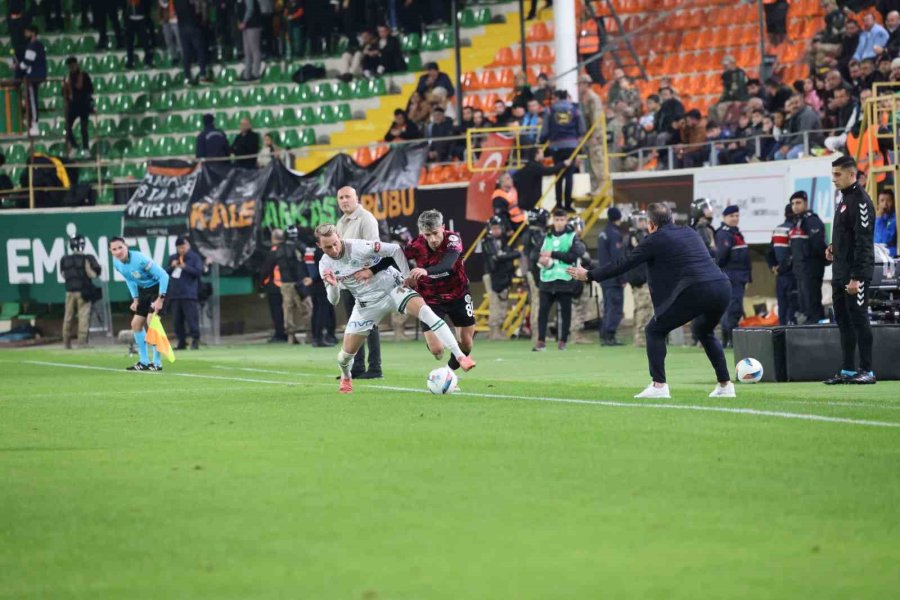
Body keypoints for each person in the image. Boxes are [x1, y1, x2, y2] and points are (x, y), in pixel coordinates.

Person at [568, 203, 735, 399]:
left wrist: (590, 275)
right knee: (704, 331)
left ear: (651, 224)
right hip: (723, 286)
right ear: (672, 219)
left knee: (654, 330)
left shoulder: (655, 239)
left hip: (697, 288)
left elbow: (624, 263)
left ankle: (659, 386)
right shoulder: (690, 232)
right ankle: (725, 385)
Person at [317, 224, 475, 393]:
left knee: (426, 312)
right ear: (319, 246)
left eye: (335, 243)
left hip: (393, 288)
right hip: (367, 304)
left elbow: (395, 250)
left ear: (339, 236)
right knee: (345, 355)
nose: (334, 249)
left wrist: (407, 276)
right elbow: (333, 301)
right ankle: (346, 377)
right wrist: (333, 286)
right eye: (328, 247)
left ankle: (460, 356)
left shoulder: (359, 247)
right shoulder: (324, 265)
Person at [824, 156, 876, 385]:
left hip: (854, 276)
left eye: (837, 174)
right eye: (833, 173)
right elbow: (848, 236)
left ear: (851, 175)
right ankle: (847, 370)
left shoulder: (861, 201)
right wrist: (834, 248)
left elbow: (864, 243)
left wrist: (857, 277)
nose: (833, 178)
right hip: (839, 273)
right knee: (843, 321)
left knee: (859, 319)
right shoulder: (845, 199)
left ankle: (867, 370)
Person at [404, 210, 476, 373]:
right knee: (437, 350)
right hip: (430, 299)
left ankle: (448, 373)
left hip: (459, 295)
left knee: (466, 343)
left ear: (443, 227)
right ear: (422, 233)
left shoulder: (453, 240)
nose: (433, 239)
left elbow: (448, 265)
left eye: (435, 233)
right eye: (427, 235)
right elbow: (394, 257)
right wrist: (404, 276)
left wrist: (426, 271)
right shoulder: (415, 245)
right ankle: (435, 348)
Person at [335, 186, 382, 379]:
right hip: (348, 283)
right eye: (341, 198)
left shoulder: (366, 218)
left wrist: (367, 272)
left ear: (357, 198)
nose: (344, 200)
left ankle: (375, 368)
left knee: (369, 324)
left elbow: (374, 248)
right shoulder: (340, 222)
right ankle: (357, 367)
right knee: (354, 325)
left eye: (348, 197)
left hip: (364, 281)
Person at [109, 237, 170, 371]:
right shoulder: (116, 263)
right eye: (114, 249)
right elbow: (129, 279)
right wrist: (135, 299)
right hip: (144, 291)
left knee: (151, 321)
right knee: (135, 324)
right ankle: (144, 362)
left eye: (120, 247)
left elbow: (164, 276)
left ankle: (157, 362)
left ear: (126, 246)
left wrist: (161, 298)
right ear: (111, 251)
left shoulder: (140, 259)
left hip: (158, 289)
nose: (118, 251)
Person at [534, 208, 586, 351]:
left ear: (566, 220)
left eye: (562, 219)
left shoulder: (571, 236)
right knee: (543, 310)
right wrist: (541, 259)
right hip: (547, 278)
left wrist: (553, 254)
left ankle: (563, 340)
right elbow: (535, 254)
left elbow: (573, 256)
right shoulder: (546, 236)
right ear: (553, 220)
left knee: (565, 311)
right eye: (556, 220)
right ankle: (540, 340)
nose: (559, 223)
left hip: (565, 277)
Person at [263, 226, 310, 345]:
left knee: (288, 310)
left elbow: (268, 267)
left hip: (286, 283)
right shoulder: (300, 246)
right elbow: (309, 262)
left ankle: (291, 335)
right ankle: (311, 333)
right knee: (306, 308)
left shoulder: (278, 249)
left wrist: (262, 282)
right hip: (300, 282)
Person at [540, 90, 584, 212]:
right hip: (571, 145)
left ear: (557, 97)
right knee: (569, 175)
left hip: (556, 146)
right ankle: (568, 205)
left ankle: (559, 203)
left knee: (558, 175)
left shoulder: (550, 110)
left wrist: (541, 142)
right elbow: (582, 129)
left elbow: (545, 130)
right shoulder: (575, 110)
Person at [788, 190, 827, 324]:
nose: (795, 206)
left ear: (805, 203)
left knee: (812, 304)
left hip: (811, 270)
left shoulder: (812, 221)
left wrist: (825, 259)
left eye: (798, 202)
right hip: (800, 270)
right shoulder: (796, 222)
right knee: (804, 304)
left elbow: (818, 245)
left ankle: (817, 335)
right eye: (793, 203)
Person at [715, 205, 751, 348]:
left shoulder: (736, 233)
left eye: (737, 216)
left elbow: (745, 260)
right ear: (724, 218)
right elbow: (720, 259)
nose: (735, 218)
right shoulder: (723, 234)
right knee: (731, 310)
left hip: (739, 278)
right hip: (730, 278)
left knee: (735, 309)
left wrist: (748, 278)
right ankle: (729, 340)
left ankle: (729, 340)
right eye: (732, 216)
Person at [59, 234, 101, 349]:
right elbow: (92, 274)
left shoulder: (64, 259)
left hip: (69, 292)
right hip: (83, 292)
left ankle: (66, 343)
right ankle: (82, 343)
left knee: (68, 317)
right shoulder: (86, 259)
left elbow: (63, 274)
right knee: (83, 317)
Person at [481, 216, 519, 340]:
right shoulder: (487, 241)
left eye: (498, 228)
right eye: (494, 228)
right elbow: (497, 257)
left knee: (503, 304)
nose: (496, 230)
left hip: (503, 275)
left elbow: (505, 255)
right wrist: (514, 254)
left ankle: (499, 330)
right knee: (495, 304)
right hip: (492, 275)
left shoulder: (504, 240)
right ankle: (494, 331)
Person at [165, 236, 203, 350]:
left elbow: (198, 272)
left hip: (188, 294)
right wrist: (172, 266)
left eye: (183, 247)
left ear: (188, 245)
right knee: (177, 321)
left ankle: (195, 340)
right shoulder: (173, 258)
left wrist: (185, 267)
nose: (182, 249)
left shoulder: (194, 257)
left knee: (192, 319)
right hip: (175, 294)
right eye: (179, 247)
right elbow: (165, 272)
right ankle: (181, 342)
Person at [597, 207, 625, 346]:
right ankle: (610, 336)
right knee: (615, 307)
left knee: (608, 306)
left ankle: (604, 334)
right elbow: (617, 258)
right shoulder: (615, 234)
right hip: (613, 278)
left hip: (604, 276)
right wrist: (621, 278)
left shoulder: (603, 233)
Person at [766, 203, 797, 326]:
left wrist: (773, 266)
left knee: (782, 305)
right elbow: (795, 253)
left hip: (780, 275)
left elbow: (769, 251)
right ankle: (792, 334)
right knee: (793, 305)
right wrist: (784, 267)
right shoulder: (796, 229)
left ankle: (781, 334)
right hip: (792, 274)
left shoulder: (778, 229)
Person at [625, 210, 652, 347]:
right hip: (640, 278)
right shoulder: (635, 237)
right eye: (639, 220)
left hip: (640, 277)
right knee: (644, 307)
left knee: (640, 307)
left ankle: (639, 335)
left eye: (644, 219)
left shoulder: (639, 235)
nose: (643, 222)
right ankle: (640, 337)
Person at [522, 208, 549, 343]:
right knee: (537, 302)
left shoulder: (528, 232)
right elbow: (538, 252)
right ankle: (538, 334)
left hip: (530, 270)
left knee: (536, 301)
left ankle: (537, 333)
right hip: (535, 271)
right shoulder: (536, 233)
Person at [303, 240, 337, 347]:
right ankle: (320, 337)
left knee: (317, 310)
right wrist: (314, 278)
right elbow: (324, 270)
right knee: (323, 311)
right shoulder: (321, 252)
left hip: (313, 285)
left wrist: (309, 279)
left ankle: (316, 336)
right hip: (322, 284)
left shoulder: (308, 251)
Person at [15, 24, 47, 136]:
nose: (25, 34)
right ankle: (32, 125)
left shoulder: (33, 46)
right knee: (30, 100)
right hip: (36, 75)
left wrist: (17, 66)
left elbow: (28, 63)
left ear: (32, 33)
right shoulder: (39, 45)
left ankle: (35, 125)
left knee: (32, 101)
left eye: (27, 32)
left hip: (33, 77)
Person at [578, 74, 606, 196]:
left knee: (597, 161)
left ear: (585, 84)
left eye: (580, 84)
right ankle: (594, 187)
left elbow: (597, 118)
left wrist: (596, 135)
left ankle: (602, 187)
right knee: (589, 163)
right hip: (588, 136)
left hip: (595, 136)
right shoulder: (583, 98)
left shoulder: (593, 98)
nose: (578, 87)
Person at [174, 0, 210, 84]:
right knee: (200, 50)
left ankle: (187, 76)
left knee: (186, 53)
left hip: (182, 27)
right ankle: (202, 75)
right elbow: (198, 11)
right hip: (193, 26)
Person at [62, 57, 93, 152]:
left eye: (73, 65)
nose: (72, 67)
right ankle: (75, 146)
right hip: (73, 106)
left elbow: (90, 89)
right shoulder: (68, 78)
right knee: (67, 127)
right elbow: (63, 93)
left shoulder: (83, 75)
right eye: (70, 66)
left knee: (84, 129)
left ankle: (86, 148)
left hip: (83, 105)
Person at [125, 0, 154, 70]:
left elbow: (148, 4)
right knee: (129, 42)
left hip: (142, 18)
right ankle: (130, 62)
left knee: (145, 41)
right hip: (130, 18)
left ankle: (148, 61)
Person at [239, 0, 263, 81]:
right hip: (246, 26)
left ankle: (255, 73)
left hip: (253, 25)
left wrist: (244, 21)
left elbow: (250, 9)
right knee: (247, 51)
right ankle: (247, 74)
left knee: (254, 49)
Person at [875, 190, 897, 257]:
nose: (885, 204)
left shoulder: (895, 219)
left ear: (893, 202)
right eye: (882, 201)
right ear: (878, 203)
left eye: (888, 201)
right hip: (877, 254)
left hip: (891, 255)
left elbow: (885, 240)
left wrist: (879, 219)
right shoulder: (876, 218)